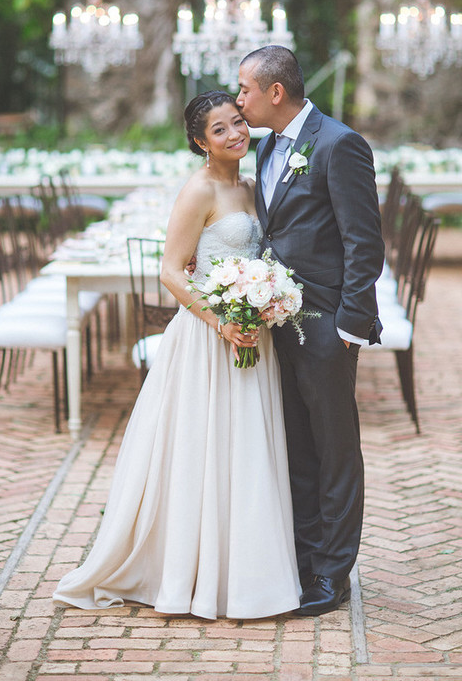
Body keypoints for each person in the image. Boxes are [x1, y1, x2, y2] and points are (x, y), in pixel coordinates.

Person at [53, 90, 300, 620]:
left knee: (248, 448)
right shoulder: (199, 190)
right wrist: (222, 321)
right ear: (198, 141)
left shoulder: (255, 185)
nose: (235, 133)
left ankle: (249, 572)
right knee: (202, 449)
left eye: (238, 122)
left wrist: (264, 300)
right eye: (220, 129)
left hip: (251, 331)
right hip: (209, 338)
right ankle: (193, 569)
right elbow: (171, 269)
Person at [237, 46, 384, 616]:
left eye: (245, 88)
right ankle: (303, 560)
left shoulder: (339, 144)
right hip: (278, 321)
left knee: (334, 448)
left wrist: (351, 325)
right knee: (297, 445)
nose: (239, 98)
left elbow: (363, 242)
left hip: (326, 324)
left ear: (276, 92)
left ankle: (333, 574)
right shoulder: (268, 146)